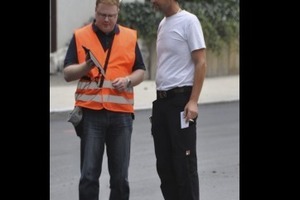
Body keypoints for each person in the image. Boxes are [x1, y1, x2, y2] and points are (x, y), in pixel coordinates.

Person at [63, 0, 145, 199]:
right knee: (89, 175)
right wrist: (85, 67)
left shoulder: (128, 36)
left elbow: (141, 71)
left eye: (111, 15)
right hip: (91, 115)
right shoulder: (81, 35)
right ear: (95, 11)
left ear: (118, 13)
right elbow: (67, 73)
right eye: (102, 15)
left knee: (120, 178)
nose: (107, 19)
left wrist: (127, 80)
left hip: (121, 116)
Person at [150, 0, 207, 200]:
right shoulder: (163, 25)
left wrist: (193, 101)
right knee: (165, 166)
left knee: (184, 165)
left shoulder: (189, 21)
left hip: (181, 101)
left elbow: (200, 62)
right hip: (161, 103)